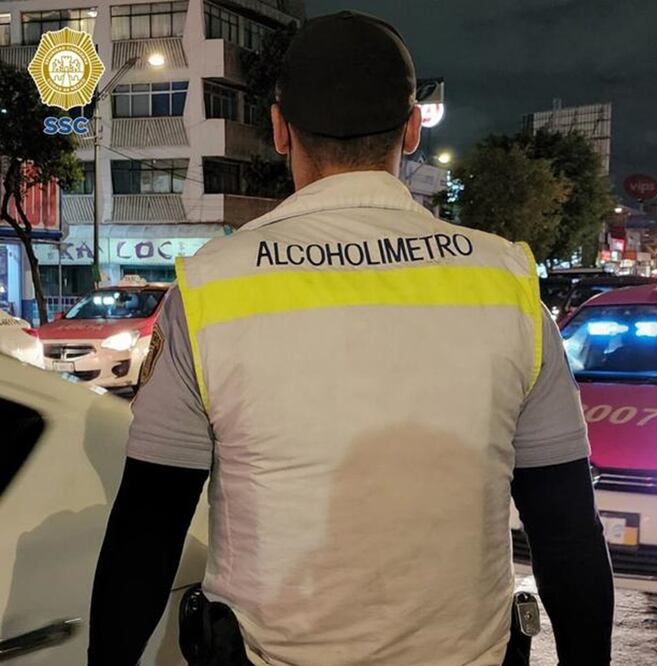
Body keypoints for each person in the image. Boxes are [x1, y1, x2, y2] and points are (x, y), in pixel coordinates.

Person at [87, 12, 613, 666]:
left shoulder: (209, 292)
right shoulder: (503, 283)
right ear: (413, 128)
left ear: (280, 130)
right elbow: (566, 535)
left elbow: (148, 532)